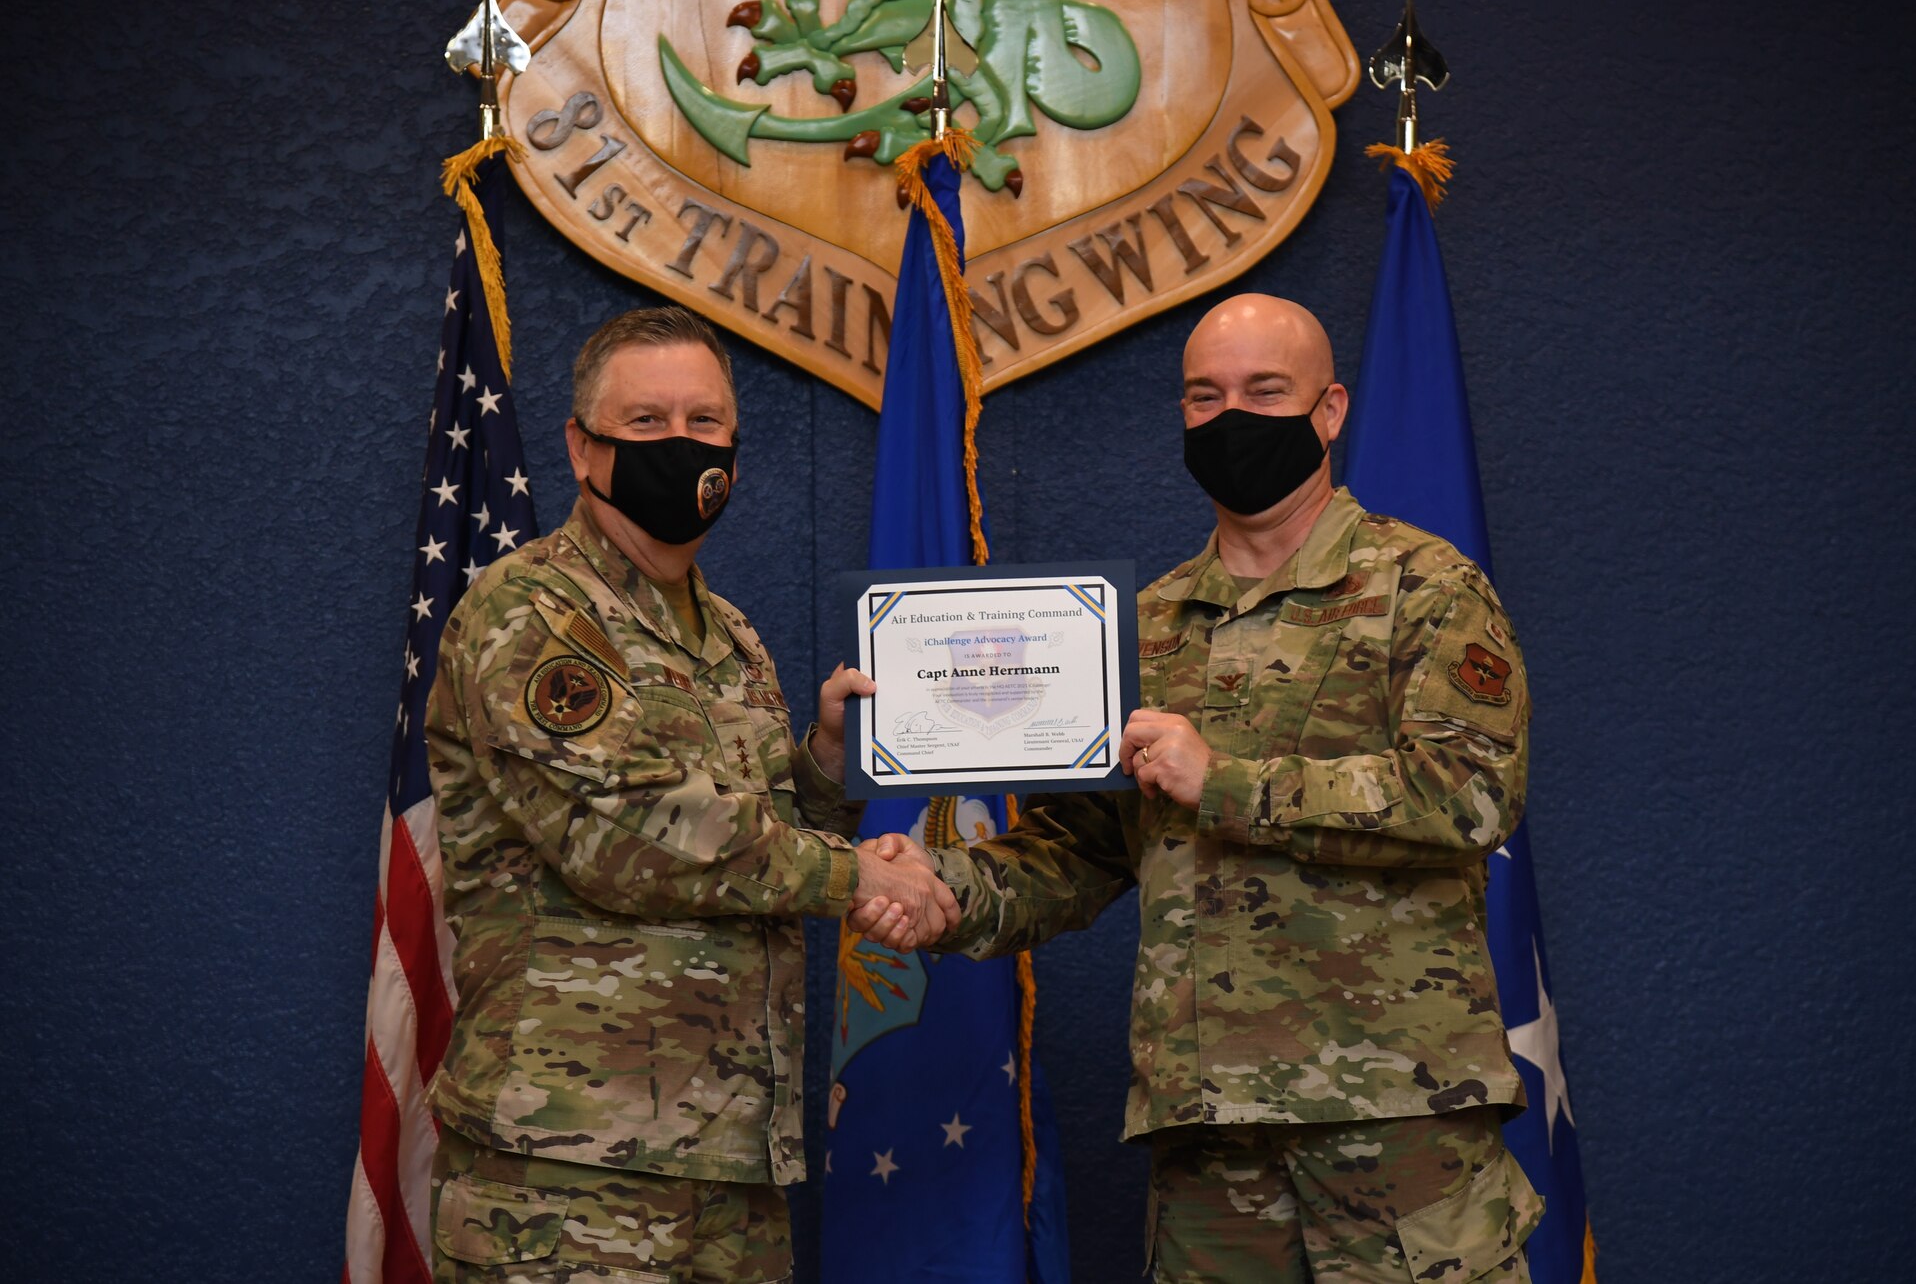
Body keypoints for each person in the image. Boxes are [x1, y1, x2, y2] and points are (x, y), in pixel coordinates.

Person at [855, 294, 1543, 1282]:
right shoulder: (1138, 629)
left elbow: (1466, 797)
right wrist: (944, 894)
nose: (1232, 418)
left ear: (1329, 409)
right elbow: (1080, 848)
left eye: (1265, 391)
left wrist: (1223, 781)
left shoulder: (1425, 589)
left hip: (1394, 1114)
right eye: (1203, 396)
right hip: (1206, 1123)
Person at [424, 305, 955, 1283]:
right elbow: (635, 837)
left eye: (704, 423)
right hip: (570, 1172)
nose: (682, 445)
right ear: (583, 449)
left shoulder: (730, 634)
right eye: (647, 423)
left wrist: (827, 765)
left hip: (730, 1162)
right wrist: (861, 873)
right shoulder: (529, 611)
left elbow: (756, 843)